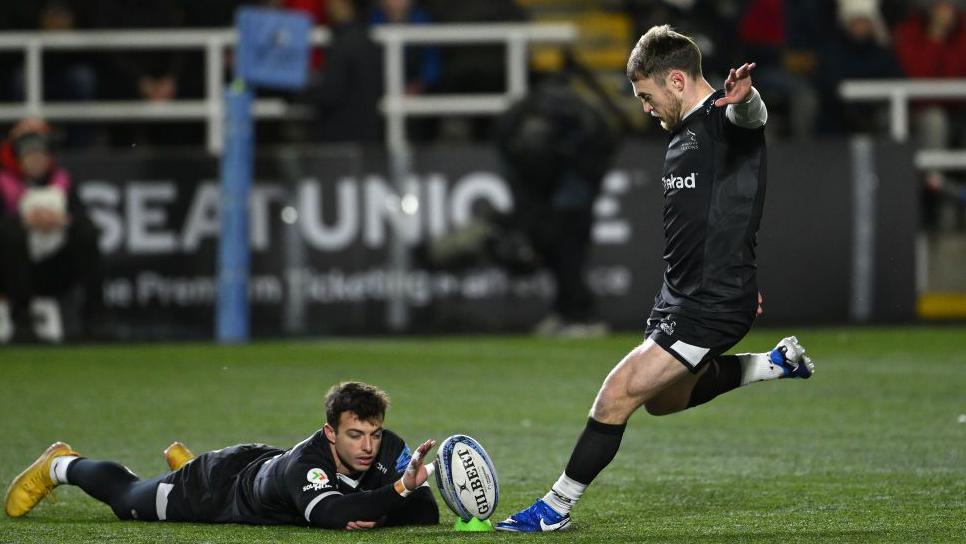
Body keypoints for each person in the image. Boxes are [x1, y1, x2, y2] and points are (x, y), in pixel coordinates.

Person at [494, 25, 815, 532]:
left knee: (616, 393)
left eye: (647, 95)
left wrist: (747, 99)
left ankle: (554, 507)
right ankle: (774, 364)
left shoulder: (722, 119)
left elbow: (749, 118)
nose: (645, 107)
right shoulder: (685, 133)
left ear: (678, 81)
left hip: (710, 302)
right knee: (663, 401)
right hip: (683, 295)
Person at [4, 382, 440, 531]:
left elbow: (424, 514)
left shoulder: (390, 448)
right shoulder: (307, 466)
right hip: (213, 488)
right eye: (355, 435)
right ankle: (61, 464)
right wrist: (397, 491)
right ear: (330, 432)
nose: (368, 447)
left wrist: (391, 501)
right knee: (127, 499)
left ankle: (183, 464)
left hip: (258, 466)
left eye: (374, 434)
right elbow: (330, 515)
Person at [0, 118, 102, 343]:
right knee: (10, 231)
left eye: (41, 155)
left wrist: (64, 221)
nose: (36, 161)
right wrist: (25, 221)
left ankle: (96, 320)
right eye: (29, 155)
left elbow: (83, 218)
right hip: (11, 272)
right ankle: (22, 321)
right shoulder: (3, 182)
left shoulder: (62, 182)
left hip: (54, 270)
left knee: (86, 231)